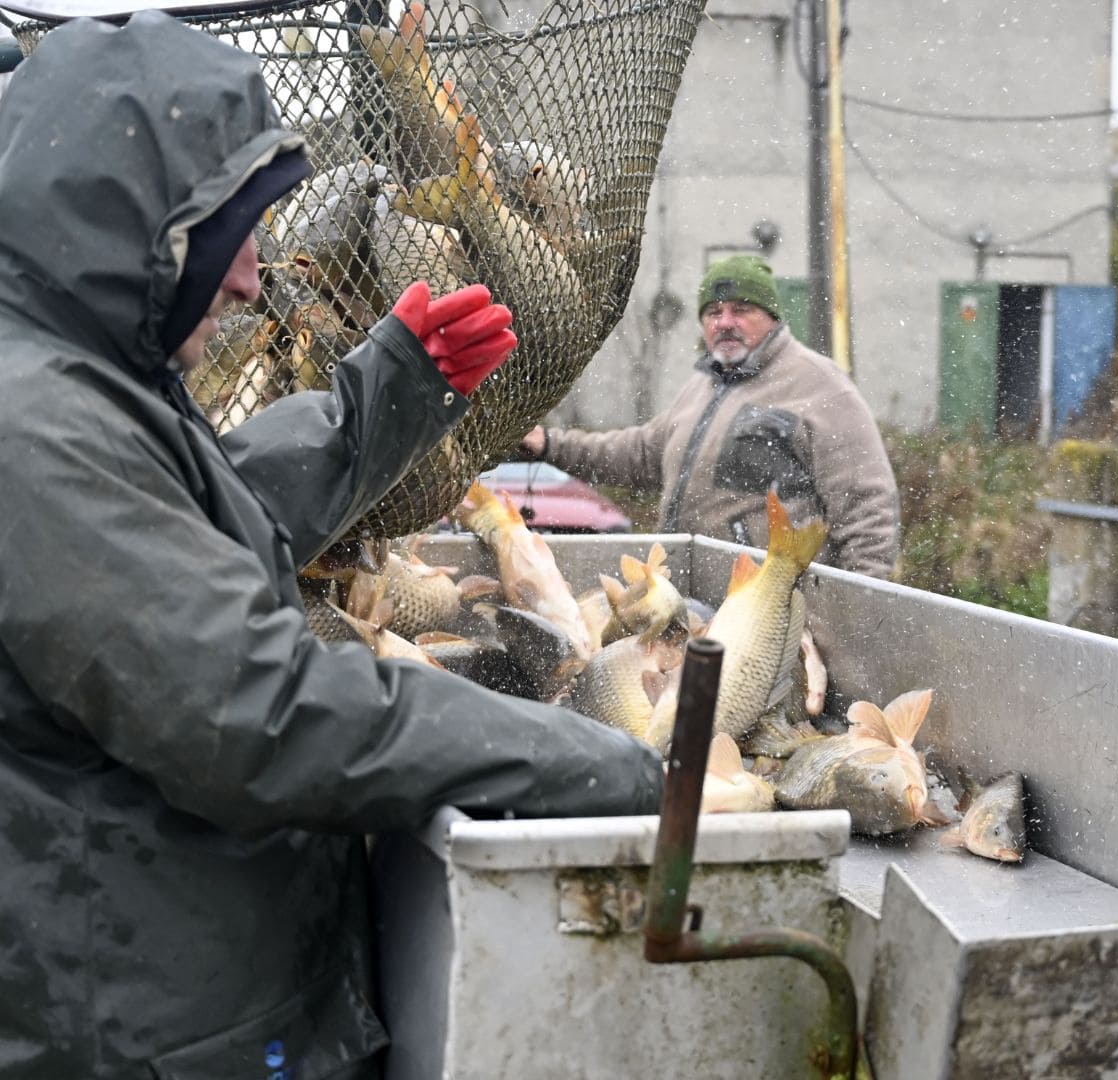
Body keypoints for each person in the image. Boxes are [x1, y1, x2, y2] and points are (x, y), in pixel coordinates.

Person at [0, 14, 663, 1078]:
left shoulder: (76, 375)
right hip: (142, 1036)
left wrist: (381, 399)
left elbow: (203, 533)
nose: (254, 277)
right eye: (232, 234)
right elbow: (253, 715)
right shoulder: (30, 422)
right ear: (138, 225)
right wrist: (594, 755)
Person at [520, 254, 901, 579]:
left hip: (769, 608)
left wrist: (854, 613)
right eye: (714, 312)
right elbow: (640, 453)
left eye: (741, 309)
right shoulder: (704, 387)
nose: (725, 322)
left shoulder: (820, 386)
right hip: (693, 598)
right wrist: (549, 444)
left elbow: (867, 510)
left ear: (771, 317)